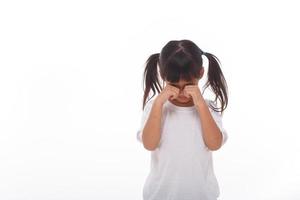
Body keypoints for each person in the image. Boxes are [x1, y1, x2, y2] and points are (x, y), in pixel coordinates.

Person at [136, 39, 229, 200]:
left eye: (188, 84)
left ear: (200, 73)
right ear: (163, 76)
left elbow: (214, 144)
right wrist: (159, 103)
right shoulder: (155, 107)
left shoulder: (208, 107)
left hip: (201, 195)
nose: (181, 92)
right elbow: (149, 144)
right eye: (173, 84)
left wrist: (200, 104)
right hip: (160, 195)